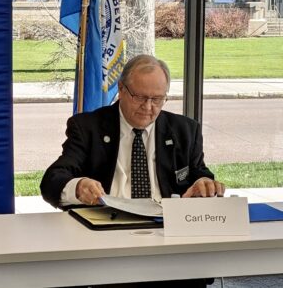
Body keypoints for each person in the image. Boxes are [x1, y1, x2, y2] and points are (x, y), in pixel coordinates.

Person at [41, 54, 224, 209]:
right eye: (140, 97)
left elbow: (199, 174)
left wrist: (205, 185)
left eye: (157, 99)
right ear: (121, 89)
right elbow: (52, 180)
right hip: (107, 224)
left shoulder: (185, 130)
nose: (148, 107)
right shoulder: (88, 128)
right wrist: (78, 187)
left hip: (166, 226)